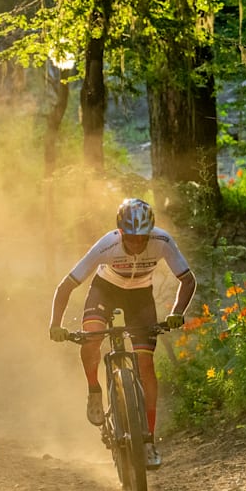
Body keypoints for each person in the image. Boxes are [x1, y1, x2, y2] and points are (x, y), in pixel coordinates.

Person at [48, 197, 196, 469]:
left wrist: (177, 312)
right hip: (105, 289)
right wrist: (55, 324)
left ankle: (148, 440)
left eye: (143, 238)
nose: (138, 244)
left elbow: (187, 280)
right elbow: (65, 287)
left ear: (150, 232)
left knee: (146, 364)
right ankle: (94, 389)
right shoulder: (108, 244)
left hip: (140, 296)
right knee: (92, 336)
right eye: (131, 238)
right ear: (121, 232)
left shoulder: (162, 241)